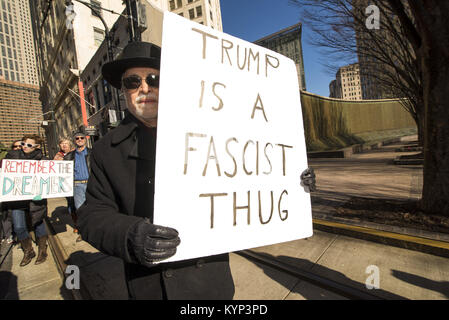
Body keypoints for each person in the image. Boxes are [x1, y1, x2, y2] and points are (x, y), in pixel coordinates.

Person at [77, 41, 316, 300]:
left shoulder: (214, 133)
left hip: (209, 284)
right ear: (124, 90)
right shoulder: (106, 150)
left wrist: (292, 179)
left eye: (155, 78)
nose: (144, 88)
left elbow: (250, 173)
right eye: (132, 82)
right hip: (151, 287)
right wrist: (131, 235)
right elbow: (92, 216)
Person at [4, 134, 49, 266]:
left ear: (37, 147)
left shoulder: (42, 159)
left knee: (38, 223)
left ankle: (42, 250)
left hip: (36, 199)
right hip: (17, 199)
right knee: (18, 227)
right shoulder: (13, 156)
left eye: (29, 145)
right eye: (23, 144)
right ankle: (28, 251)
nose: (25, 147)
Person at [64, 132, 91, 241]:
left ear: (85, 139)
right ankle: (84, 232)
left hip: (91, 184)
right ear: (74, 141)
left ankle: (95, 229)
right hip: (77, 186)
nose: (79, 140)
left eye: (82, 138)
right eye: (77, 138)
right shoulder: (69, 156)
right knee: (80, 210)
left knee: (94, 208)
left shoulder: (92, 153)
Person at [0, 140, 21, 245]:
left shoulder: (30, 159)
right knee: (6, 214)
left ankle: (19, 236)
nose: (17, 148)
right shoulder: (4, 161)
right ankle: (8, 235)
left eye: (20, 146)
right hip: (8, 193)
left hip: (22, 195)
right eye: (15, 146)